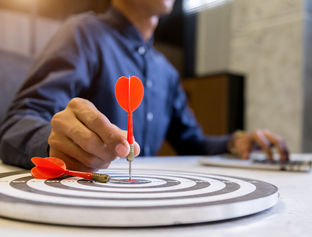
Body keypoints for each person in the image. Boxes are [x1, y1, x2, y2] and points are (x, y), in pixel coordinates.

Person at [0, 0, 289, 172]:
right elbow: (15, 125)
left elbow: (192, 142)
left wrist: (234, 141)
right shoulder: (82, 34)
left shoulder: (166, 71)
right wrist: (53, 143)